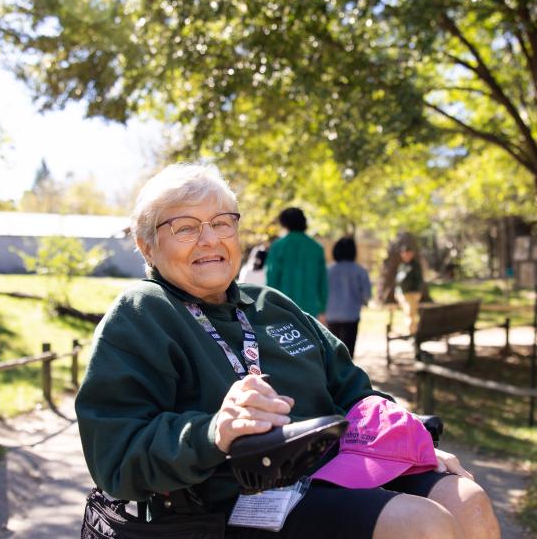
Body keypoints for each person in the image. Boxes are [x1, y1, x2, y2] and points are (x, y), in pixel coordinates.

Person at [76, 163, 500, 539]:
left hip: (335, 472)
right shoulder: (142, 314)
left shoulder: (270, 304)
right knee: (420, 525)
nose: (209, 240)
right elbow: (116, 457)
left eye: (222, 223)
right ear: (147, 245)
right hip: (228, 502)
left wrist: (410, 443)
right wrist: (215, 432)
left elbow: (355, 391)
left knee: (466, 497)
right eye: (186, 228)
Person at [265, 207, 328, 321]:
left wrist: (270, 306)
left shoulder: (278, 247)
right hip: (311, 310)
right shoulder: (316, 248)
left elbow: (272, 279)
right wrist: (323, 309)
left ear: (284, 223)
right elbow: (322, 282)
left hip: (283, 308)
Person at [326, 236, 371, 358]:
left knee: (331, 349)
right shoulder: (360, 270)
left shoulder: (328, 270)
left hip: (331, 315)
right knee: (348, 352)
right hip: (351, 315)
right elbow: (367, 294)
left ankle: (332, 375)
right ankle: (347, 375)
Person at [395, 244, 424, 334]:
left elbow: (418, 280)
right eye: (403, 253)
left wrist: (417, 293)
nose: (405, 255)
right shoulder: (402, 265)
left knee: (410, 313)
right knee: (407, 313)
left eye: (407, 253)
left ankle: (411, 332)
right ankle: (409, 331)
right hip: (402, 294)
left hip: (412, 294)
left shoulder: (415, 265)